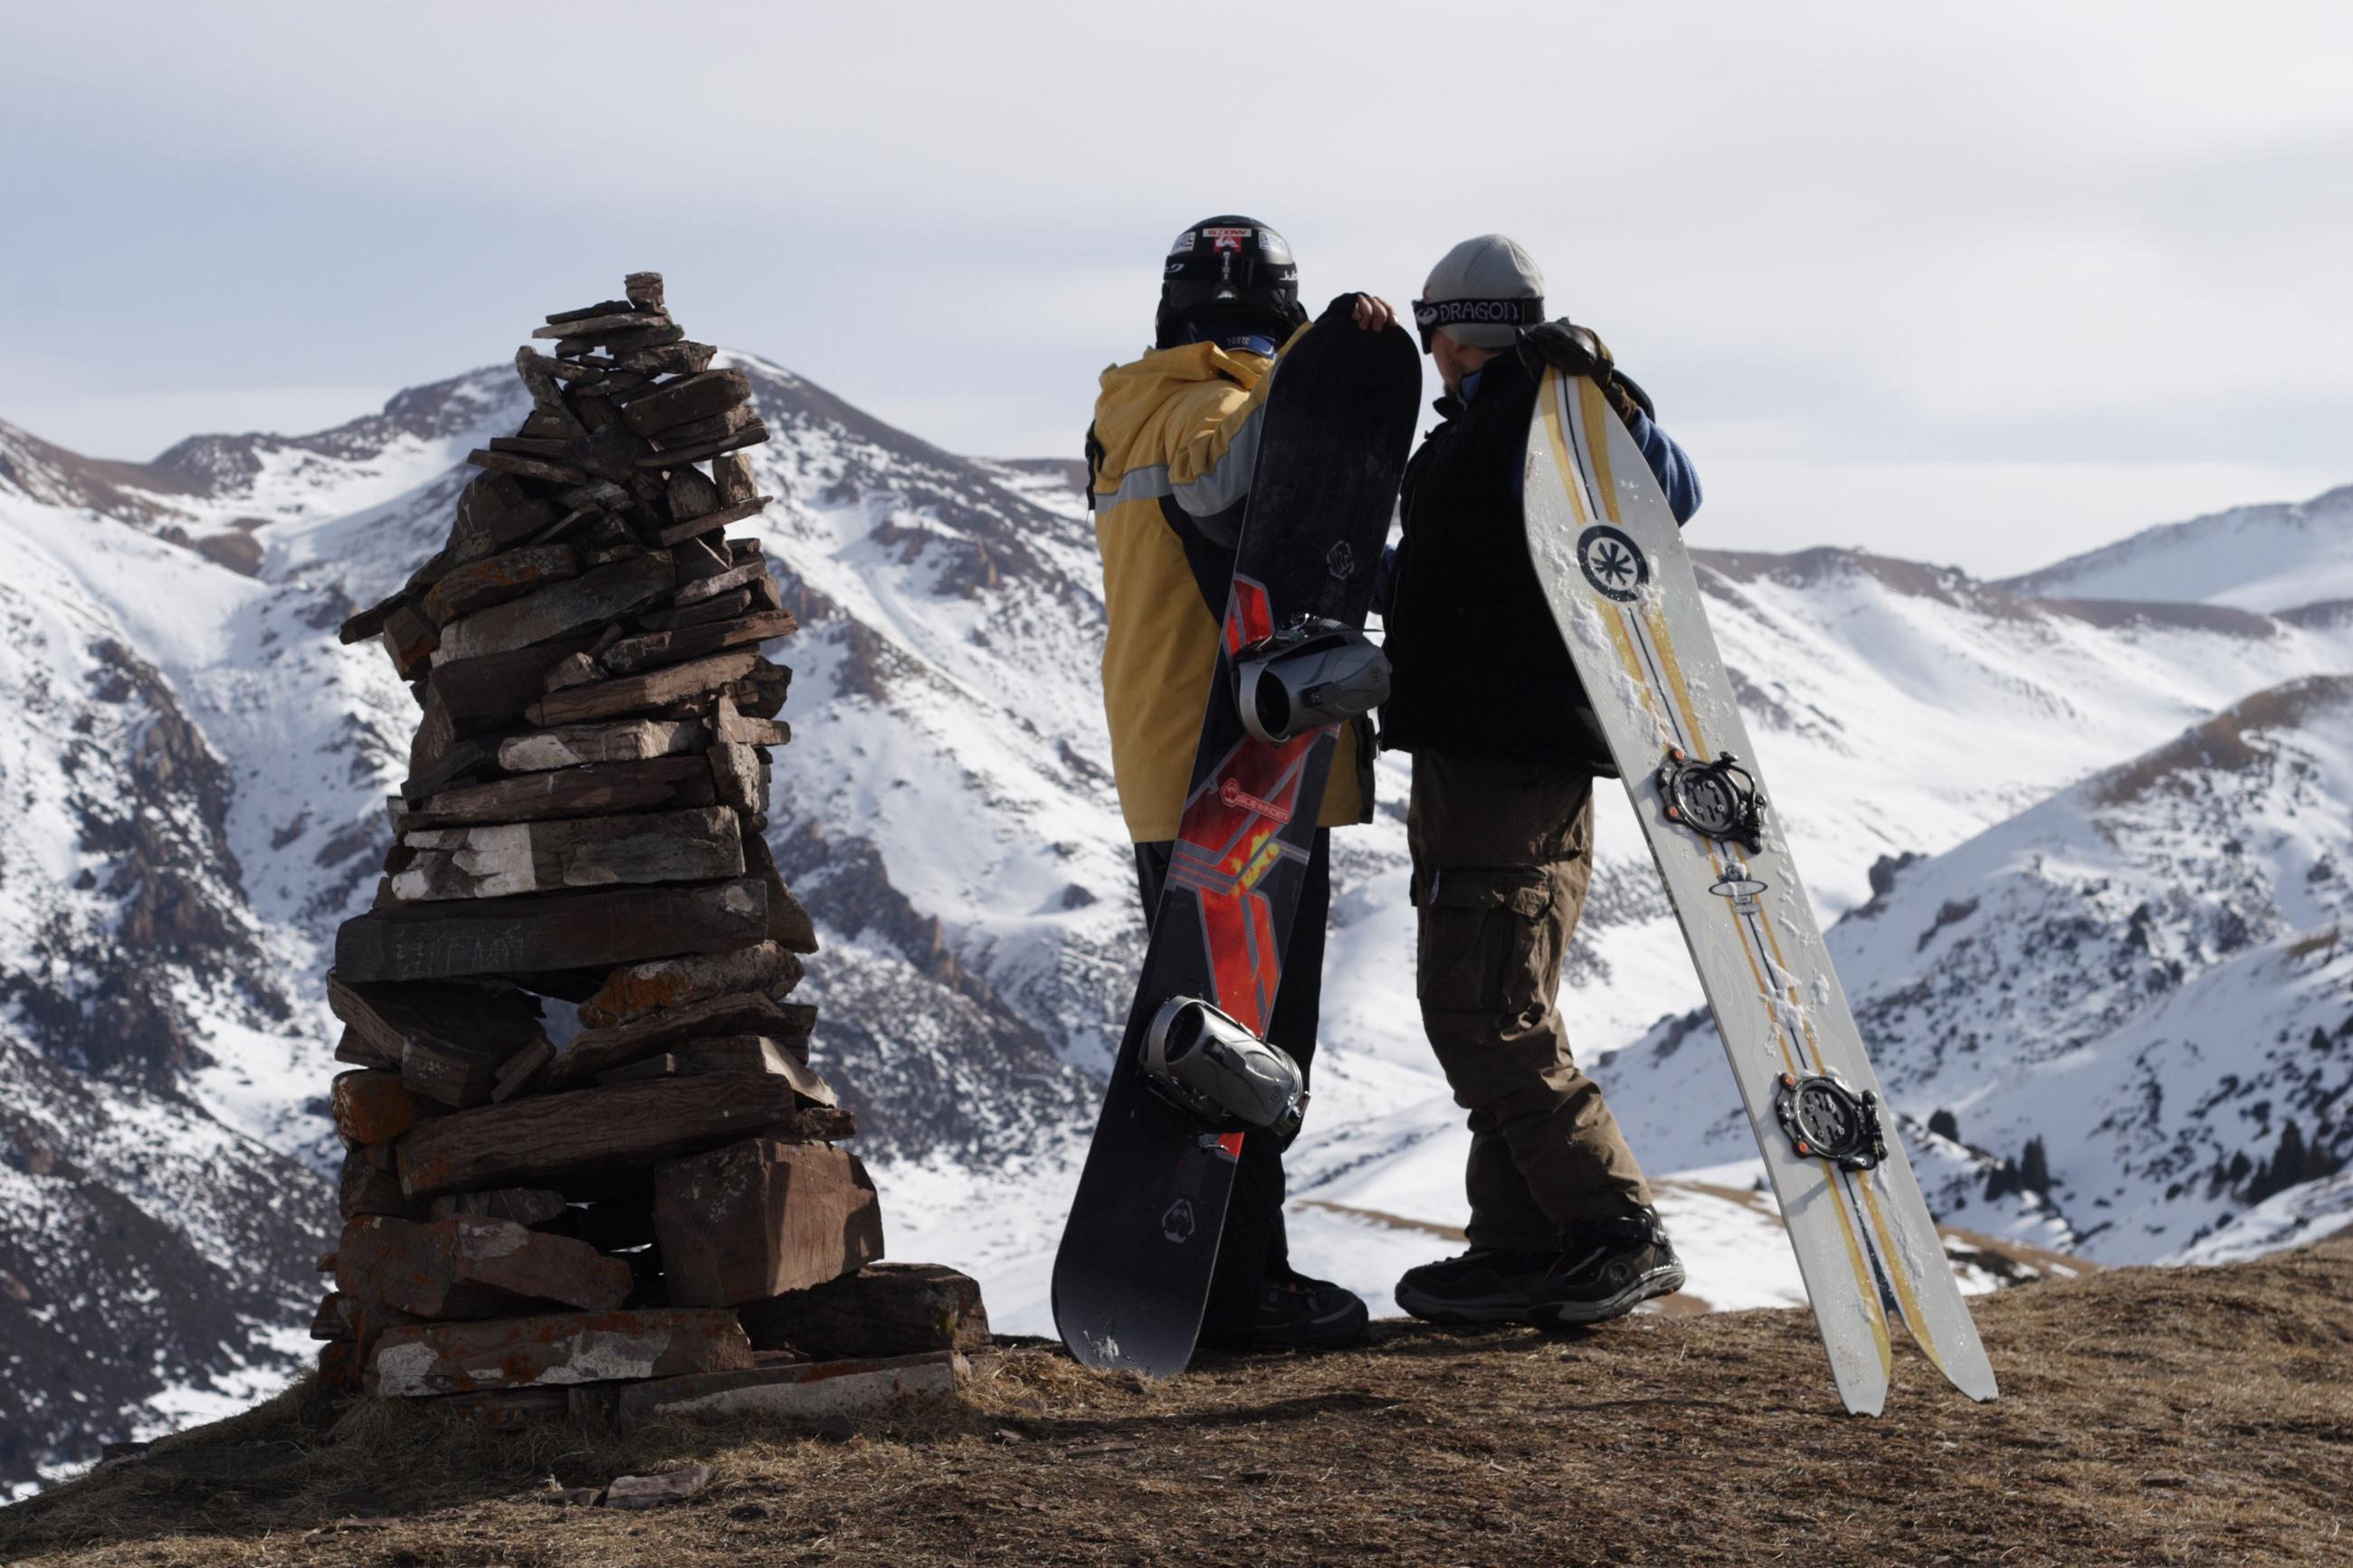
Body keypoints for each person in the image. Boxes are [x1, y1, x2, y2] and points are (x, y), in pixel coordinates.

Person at [1082, 216, 1395, 1350]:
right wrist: (1321, 377)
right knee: (1248, 1034)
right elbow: (1239, 502)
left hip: (1176, 759)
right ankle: (1234, 1283)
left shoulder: (1128, 411)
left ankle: (1201, 1267)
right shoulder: (1213, 409)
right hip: (1241, 773)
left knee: (1199, 1025)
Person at [1379, 233, 1701, 1327]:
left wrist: (1592, 391)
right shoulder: (1507, 424)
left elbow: (1670, 489)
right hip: (1493, 756)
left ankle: (1613, 1227)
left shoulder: (1538, 416)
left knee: (1484, 1006)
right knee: (1493, 996)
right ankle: (1524, 1239)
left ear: (1451, 330)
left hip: (1507, 763)